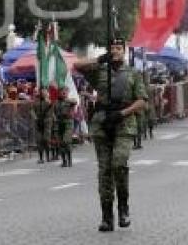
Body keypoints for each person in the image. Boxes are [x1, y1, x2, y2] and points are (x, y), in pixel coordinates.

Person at [74, 38, 146, 232]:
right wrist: (100, 59)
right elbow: (77, 65)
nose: (115, 51)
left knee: (119, 164)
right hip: (102, 124)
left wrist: (122, 113)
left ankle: (123, 208)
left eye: (118, 48)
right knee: (104, 172)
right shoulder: (100, 71)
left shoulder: (133, 73)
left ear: (124, 51)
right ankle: (107, 217)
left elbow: (141, 101)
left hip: (123, 123)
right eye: (112, 48)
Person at [54, 86, 75, 167]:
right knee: (61, 143)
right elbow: (54, 112)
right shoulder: (56, 102)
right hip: (59, 123)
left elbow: (75, 102)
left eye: (65, 92)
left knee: (66, 141)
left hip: (68, 123)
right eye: (62, 92)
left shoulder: (69, 101)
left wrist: (66, 98)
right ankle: (64, 161)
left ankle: (69, 160)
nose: (64, 93)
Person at [32, 87, 54, 164]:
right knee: (39, 141)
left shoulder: (48, 102)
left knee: (46, 140)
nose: (43, 94)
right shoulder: (36, 102)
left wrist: (45, 119)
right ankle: (41, 158)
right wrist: (36, 118)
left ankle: (48, 156)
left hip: (46, 123)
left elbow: (50, 113)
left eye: (44, 93)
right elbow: (32, 110)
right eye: (41, 92)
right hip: (38, 122)